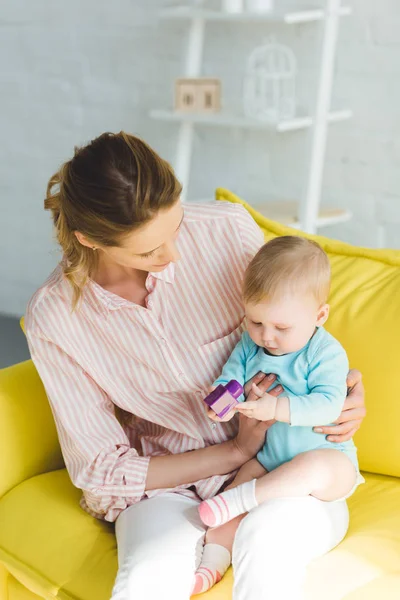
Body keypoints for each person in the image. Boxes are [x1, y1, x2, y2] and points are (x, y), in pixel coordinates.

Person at [25, 131, 366, 600]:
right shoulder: (56, 318)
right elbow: (101, 467)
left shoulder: (227, 230)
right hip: (172, 481)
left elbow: (297, 321)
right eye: (148, 251)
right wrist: (231, 453)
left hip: (282, 467)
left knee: (266, 546)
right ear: (89, 240)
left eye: (176, 226)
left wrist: (346, 392)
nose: (174, 256)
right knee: (148, 582)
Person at [194, 236, 364, 594]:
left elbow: (329, 404)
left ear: (319, 316)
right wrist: (220, 403)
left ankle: (241, 501)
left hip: (329, 466)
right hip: (270, 461)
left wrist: (276, 408)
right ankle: (211, 564)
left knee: (308, 468)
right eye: (255, 322)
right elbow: (232, 377)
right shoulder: (249, 343)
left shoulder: (325, 352)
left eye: (280, 328)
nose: (266, 337)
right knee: (234, 494)